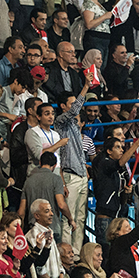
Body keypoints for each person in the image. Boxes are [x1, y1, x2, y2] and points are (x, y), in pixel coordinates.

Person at [53, 72, 95, 256]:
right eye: (71, 104)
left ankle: (76, 254)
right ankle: (66, 253)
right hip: (69, 175)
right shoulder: (60, 122)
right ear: (63, 107)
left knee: (80, 216)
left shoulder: (75, 126)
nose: (76, 109)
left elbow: (78, 152)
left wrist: (85, 171)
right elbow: (73, 111)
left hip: (81, 175)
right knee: (67, 217)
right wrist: (86, 86)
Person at [81, 0, 112, 66]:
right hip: (95, 38)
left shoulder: (99, 5)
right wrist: (104, 16)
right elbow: (89, 24)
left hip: (104, 38)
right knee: (95, 65)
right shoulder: (88, 4)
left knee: (102, 66)